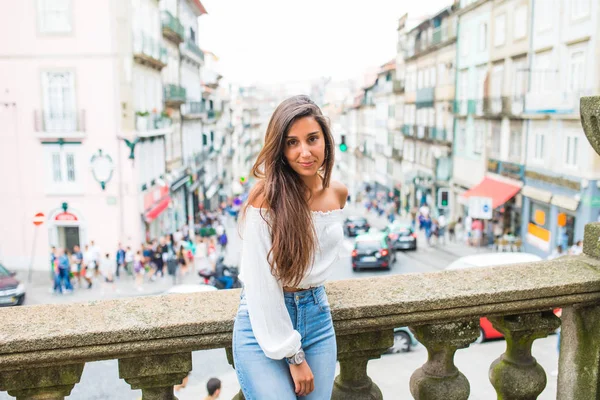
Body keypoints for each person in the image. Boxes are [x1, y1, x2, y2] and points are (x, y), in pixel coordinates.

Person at [233, 95, 347, 399]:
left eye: (312, 139)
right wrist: (293, 355)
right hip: (264, 324)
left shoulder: (337, 193)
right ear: (280, 149)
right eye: (292, 143)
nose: (304, 152)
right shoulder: (266, 197)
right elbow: (260, 283)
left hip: (317, 317)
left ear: (326, 140)